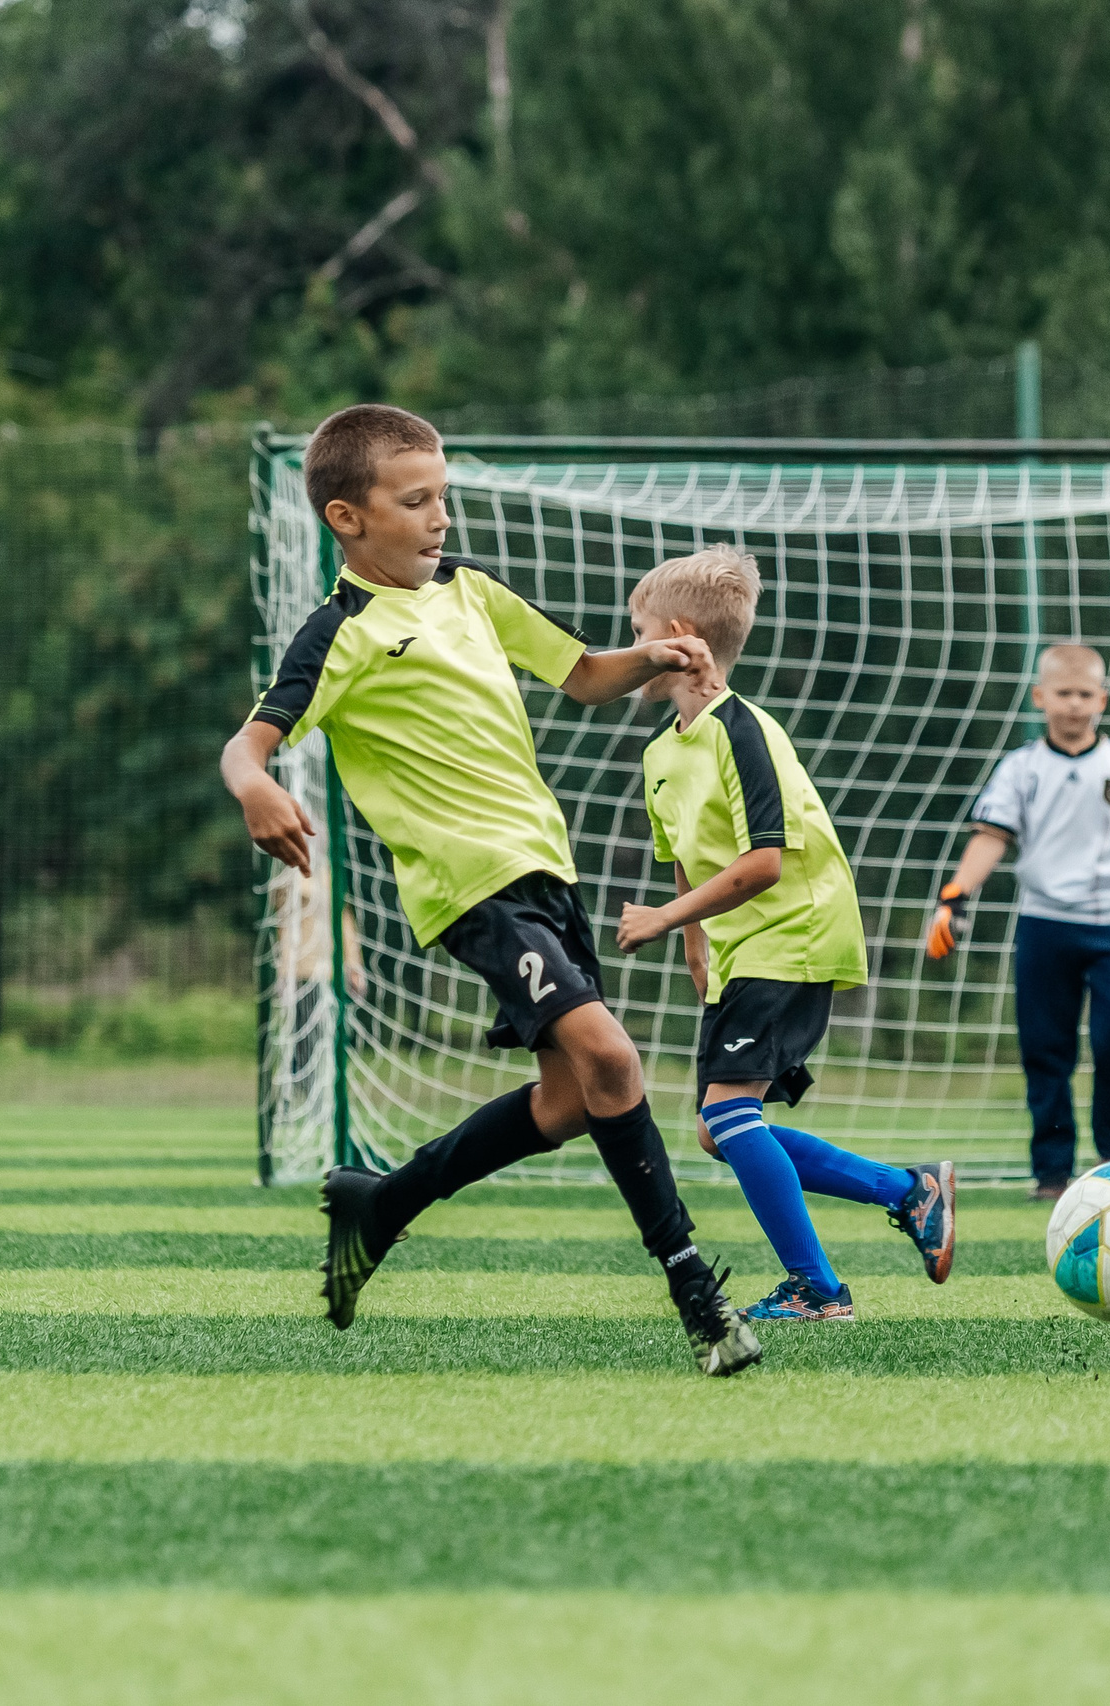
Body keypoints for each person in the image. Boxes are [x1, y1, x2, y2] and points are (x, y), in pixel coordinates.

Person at [220, 403, 763, 1377]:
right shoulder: (337, 632)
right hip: (471, 891)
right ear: (347, 517)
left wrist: (649, 655)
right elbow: (248, 743)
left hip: (547, 872)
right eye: (414, 500)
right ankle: (699, 1296)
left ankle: (378, 1205)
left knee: (567, 1100)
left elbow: (583, 675)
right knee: (611, 1056)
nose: (438, 518)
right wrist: (257, 785)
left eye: (443, 497)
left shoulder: (470, 590)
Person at [613, 546, 956, 1323]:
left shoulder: (743, 731)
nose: (627, 647)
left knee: (731, 1117)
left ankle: (817, 1289)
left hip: (794, 931)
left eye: (636, 631)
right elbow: (683, 855)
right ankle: (909, 1191)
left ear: (675, 635)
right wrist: (697, 944)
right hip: (743, 948)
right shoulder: (661, 752)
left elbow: (765, 862)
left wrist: (668, 922)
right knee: (717, 1127)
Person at [924, 644, 1110, 1199]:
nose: (1074, 706)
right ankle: (1052, 1174)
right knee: (1045, 1048)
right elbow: (991, 837)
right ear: (1040, 697)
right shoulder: (1022, 767)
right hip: (1044, 924)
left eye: (1085, 695)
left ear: (1101, 700)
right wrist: (954, 896)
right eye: (1063, 694)